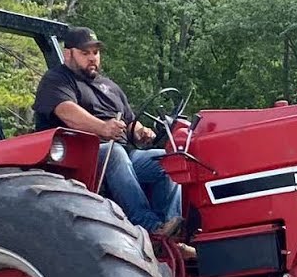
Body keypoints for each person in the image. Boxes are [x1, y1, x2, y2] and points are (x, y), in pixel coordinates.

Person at [32, 26, 183, 237]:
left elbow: (129, 121)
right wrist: (102, 128)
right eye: (85, 53)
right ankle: (149, 226)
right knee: (115, 154)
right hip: (79, 159)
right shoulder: (57, 79)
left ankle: (171, 231)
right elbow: (67, 112)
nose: (92, 58)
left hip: (124, 155)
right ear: (68, 54)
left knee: (166, 159)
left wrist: (141, 131)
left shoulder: (110, 86)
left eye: (95, 52)